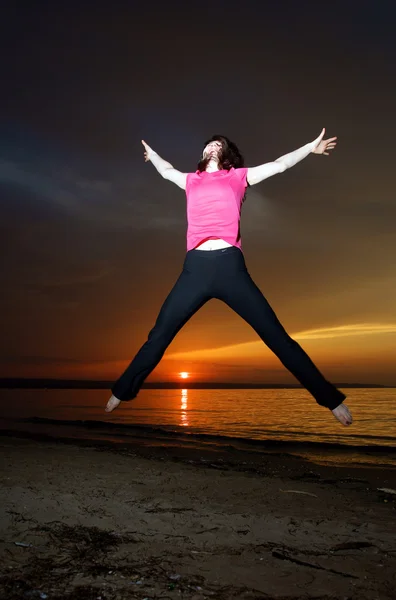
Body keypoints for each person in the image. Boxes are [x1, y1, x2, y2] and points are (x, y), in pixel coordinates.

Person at [105, 129, 353, 426]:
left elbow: (279, 164)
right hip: (195, 268)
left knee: (276, 337)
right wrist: (153, 155)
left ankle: (330, 399)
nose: (211, 146)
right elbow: (165, 170)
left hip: (230, 268)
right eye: (208, 143)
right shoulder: (190, 180)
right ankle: (122, 390)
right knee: (159, 335)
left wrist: (309, 148)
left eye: (217, 144)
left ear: (226, 154)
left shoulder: (237, 177)